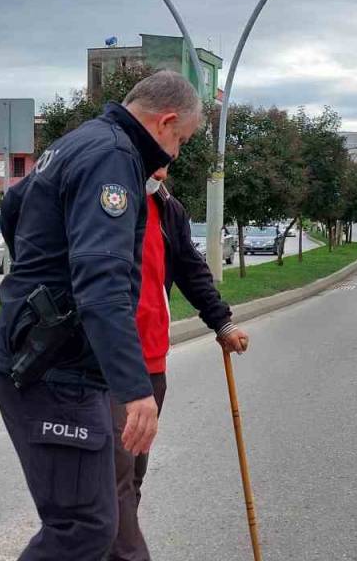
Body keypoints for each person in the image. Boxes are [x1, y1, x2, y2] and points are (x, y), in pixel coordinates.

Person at [0, 70, 204, 560]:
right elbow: (102, 287)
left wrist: (39, 277)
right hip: (54, 368)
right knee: (80, 528)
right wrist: (136, 390)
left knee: (97, 521)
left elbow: (13, 206)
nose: (177, 153)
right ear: (166, 122)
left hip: (52, 355)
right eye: (181, 140)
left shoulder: (77, 141)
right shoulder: (114, 158)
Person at [109, 168, 249, 561]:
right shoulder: (109, 203)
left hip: (152, 364)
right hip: (108, 363)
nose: (162, 169)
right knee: (113, 481)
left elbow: (189, 268)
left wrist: (221, 321)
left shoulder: (168, 209)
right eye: (159, 151)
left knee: (132, 477)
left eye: (171, 156)